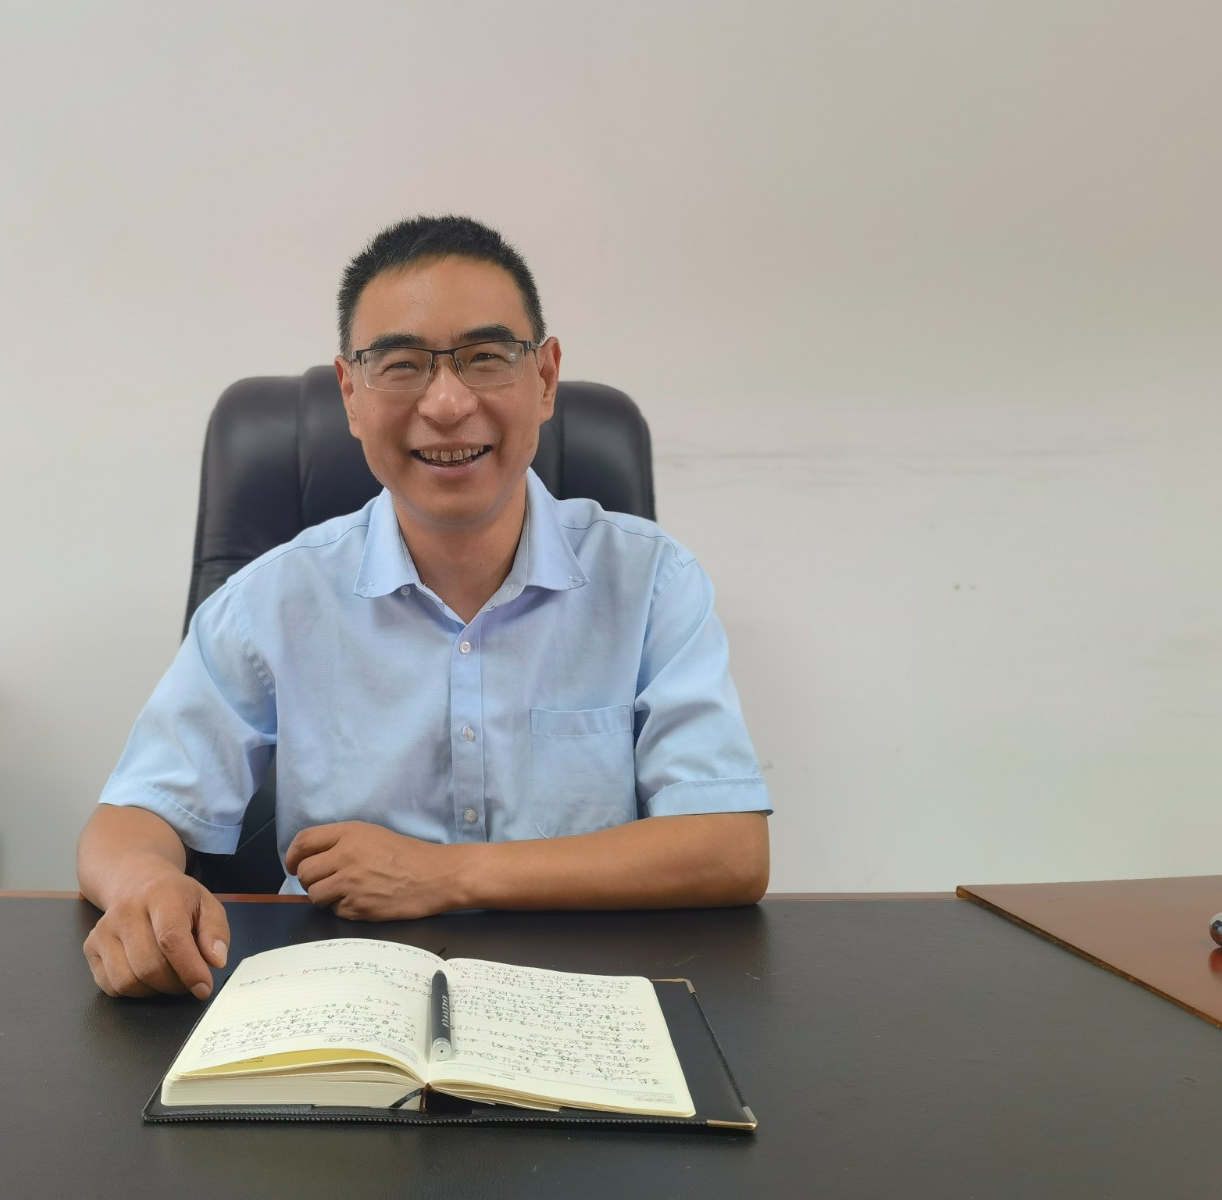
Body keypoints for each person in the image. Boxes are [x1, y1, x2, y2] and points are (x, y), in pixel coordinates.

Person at [77, 215, 771, 999]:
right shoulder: (274, 598)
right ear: (350, 394)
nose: (445, 404)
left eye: (486, 358)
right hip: (337, 998)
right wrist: (144, 887)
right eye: (401, 365)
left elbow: (729, 849)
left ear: (545, 379)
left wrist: (444, 874)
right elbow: (131, 817)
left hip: (584, 995)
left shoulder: (650, 581)